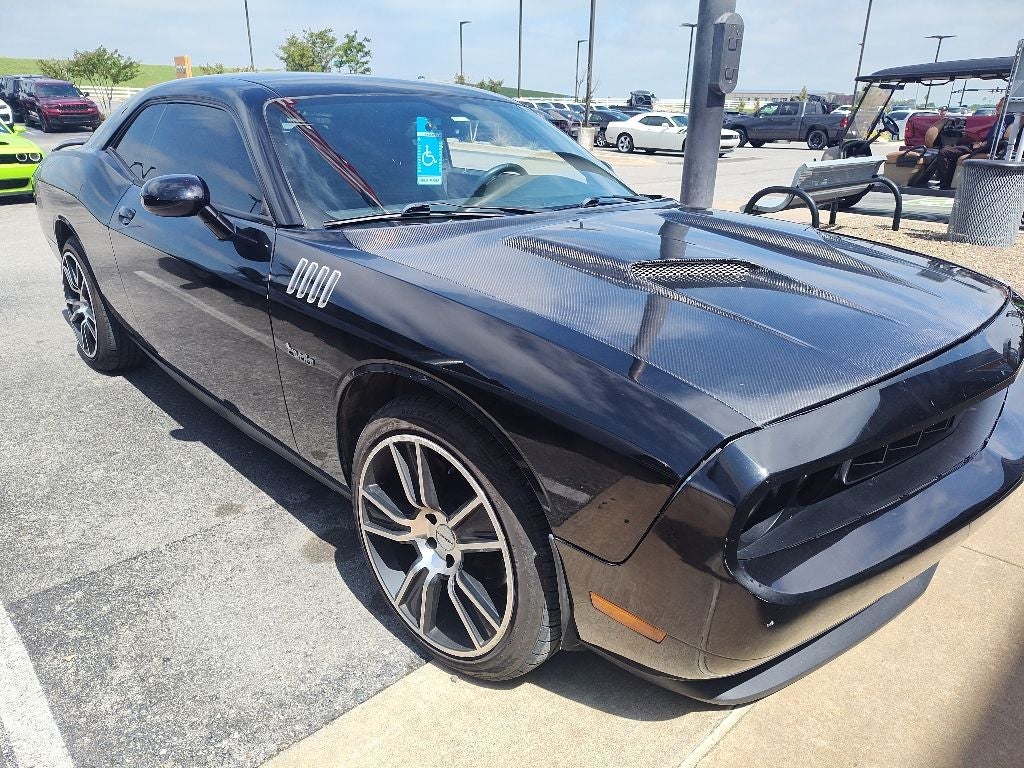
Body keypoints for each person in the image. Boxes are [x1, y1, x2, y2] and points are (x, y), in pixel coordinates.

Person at [936, 96, 1015, 189]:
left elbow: (994, 140)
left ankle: (945, 185)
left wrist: (980, 146)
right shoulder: (1013, 118)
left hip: (986, 150)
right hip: (989, 148)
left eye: (1000, 105)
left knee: (944, 152)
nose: (996, 106)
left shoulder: (1004, 119)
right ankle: (950, 182)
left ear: (1008, 107)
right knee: (953, 151)